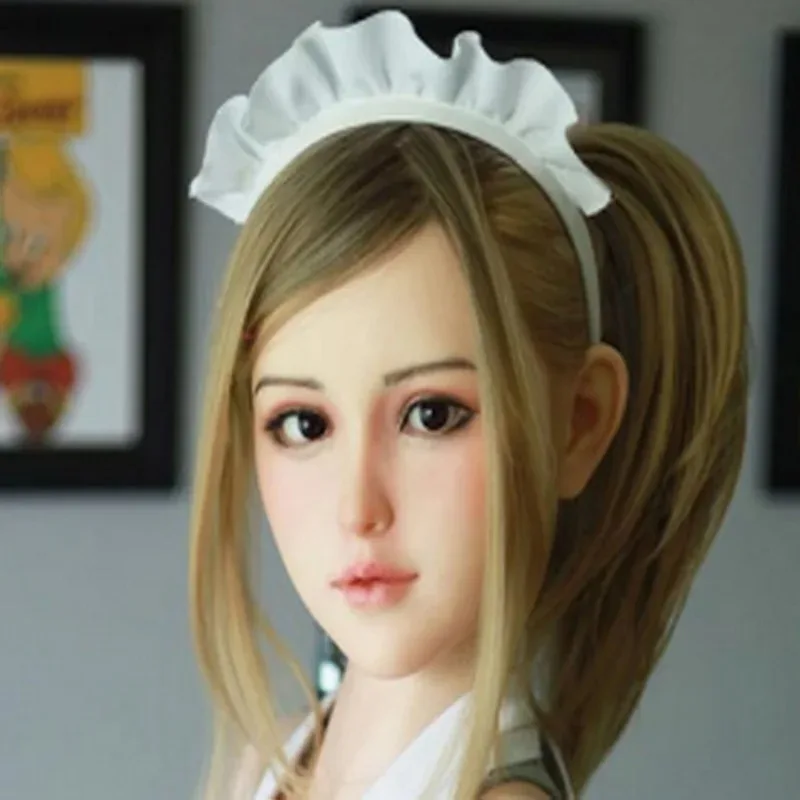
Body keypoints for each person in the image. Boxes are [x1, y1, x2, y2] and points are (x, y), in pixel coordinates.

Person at [187, 9, 748, 800]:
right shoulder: (274, 755)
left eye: (431, 414)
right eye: (304, 424)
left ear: (580, 422)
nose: (358, 508)